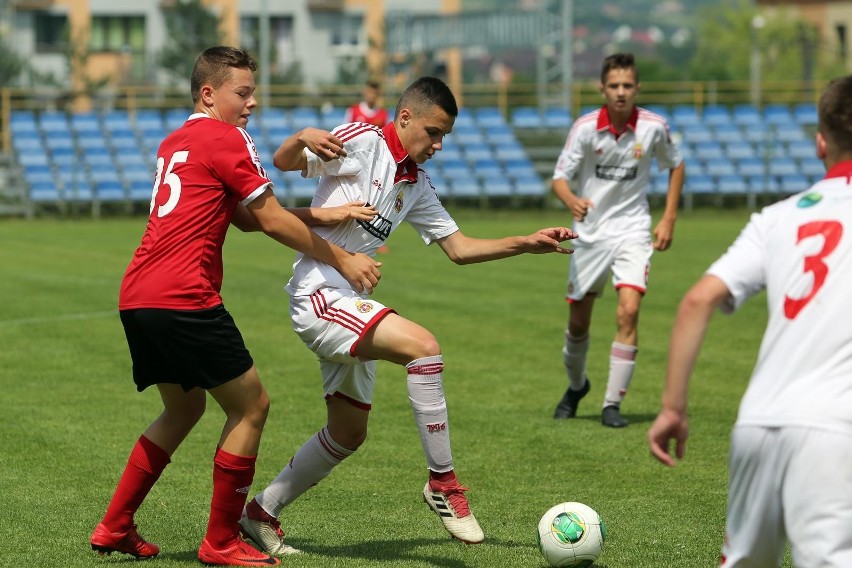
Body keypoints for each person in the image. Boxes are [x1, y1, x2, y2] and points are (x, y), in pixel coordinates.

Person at [236, 76, 577, 554]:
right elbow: (284, 162)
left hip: (351, 301)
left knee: (348, 432)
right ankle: (443, 483)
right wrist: (302, 135)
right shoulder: (361, 141)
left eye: (445, 137)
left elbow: (459, 249)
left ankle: (259, 513)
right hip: (318, 295)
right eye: (433, 133)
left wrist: (526, 243)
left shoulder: (416, 183)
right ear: (405, 118)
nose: (438, 145)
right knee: (424, 347)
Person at [88, 46, 381, 567]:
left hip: (138, 294)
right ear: (209, 94)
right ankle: (221, 541)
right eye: (241, 93)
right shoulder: (228, 137)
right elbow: (266, 219)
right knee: (251, 407)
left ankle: (114, 525)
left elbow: (245, 217)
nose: (251, 104)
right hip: (184, 296)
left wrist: (324, 212)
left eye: (252, 93)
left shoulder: (174, 141)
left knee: (184, 408)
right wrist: (341, 256)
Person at [648, 75, 852, 568]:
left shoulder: (777, 217)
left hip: (758, 423)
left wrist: (673, 408)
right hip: (836, 427)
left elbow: (696, 302)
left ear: (820, 141)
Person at [550, 52, 685, 428]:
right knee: (578, 322)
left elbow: (676, 164)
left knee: (628, 310)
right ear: (602, 89)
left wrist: (669, 218)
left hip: (633, 231)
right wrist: (571, 200)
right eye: (614, 86)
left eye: (627, 85)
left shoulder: (654, 127)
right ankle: (577, 386)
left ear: (637, 88)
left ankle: (612, 404)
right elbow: (560, 177)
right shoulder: (585, 127)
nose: (621, 92)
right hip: (590, 234)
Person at [344, 80, 392, 254]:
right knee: (354, 198)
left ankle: (375, 239)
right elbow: (345, 135)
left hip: (373, 165)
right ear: (365, 92)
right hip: (355, 163)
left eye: (375, 92)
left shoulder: (382, 114)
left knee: (375, 200)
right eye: (369, 92)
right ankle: (347, 235)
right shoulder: (354, 111)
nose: (371, 95)